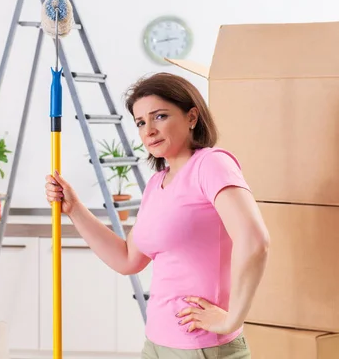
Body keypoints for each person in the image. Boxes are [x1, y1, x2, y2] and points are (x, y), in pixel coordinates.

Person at [44, 72, 270, 358]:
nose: (148, 130)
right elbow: (127, 259)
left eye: (159, 116)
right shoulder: (156, 184)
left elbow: (254, 240)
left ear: (192, 117)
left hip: (202, 347)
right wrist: (74, 208)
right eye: (140, 122)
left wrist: (231, 319)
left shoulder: (211, 164)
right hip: (156, 343)